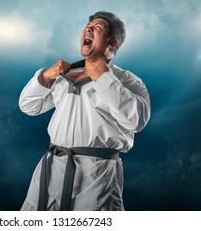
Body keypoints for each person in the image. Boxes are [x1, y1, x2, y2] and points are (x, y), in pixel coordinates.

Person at [18, 11, 151, 211]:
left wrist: (103, 77)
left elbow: (136, 121)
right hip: (51, 167)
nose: (88, 29)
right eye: (87, 27)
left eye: (97, 27)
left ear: (112, 42)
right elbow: (28, 105)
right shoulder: (65, 75)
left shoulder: (129, 81)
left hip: (96, 175)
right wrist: (45, 76)